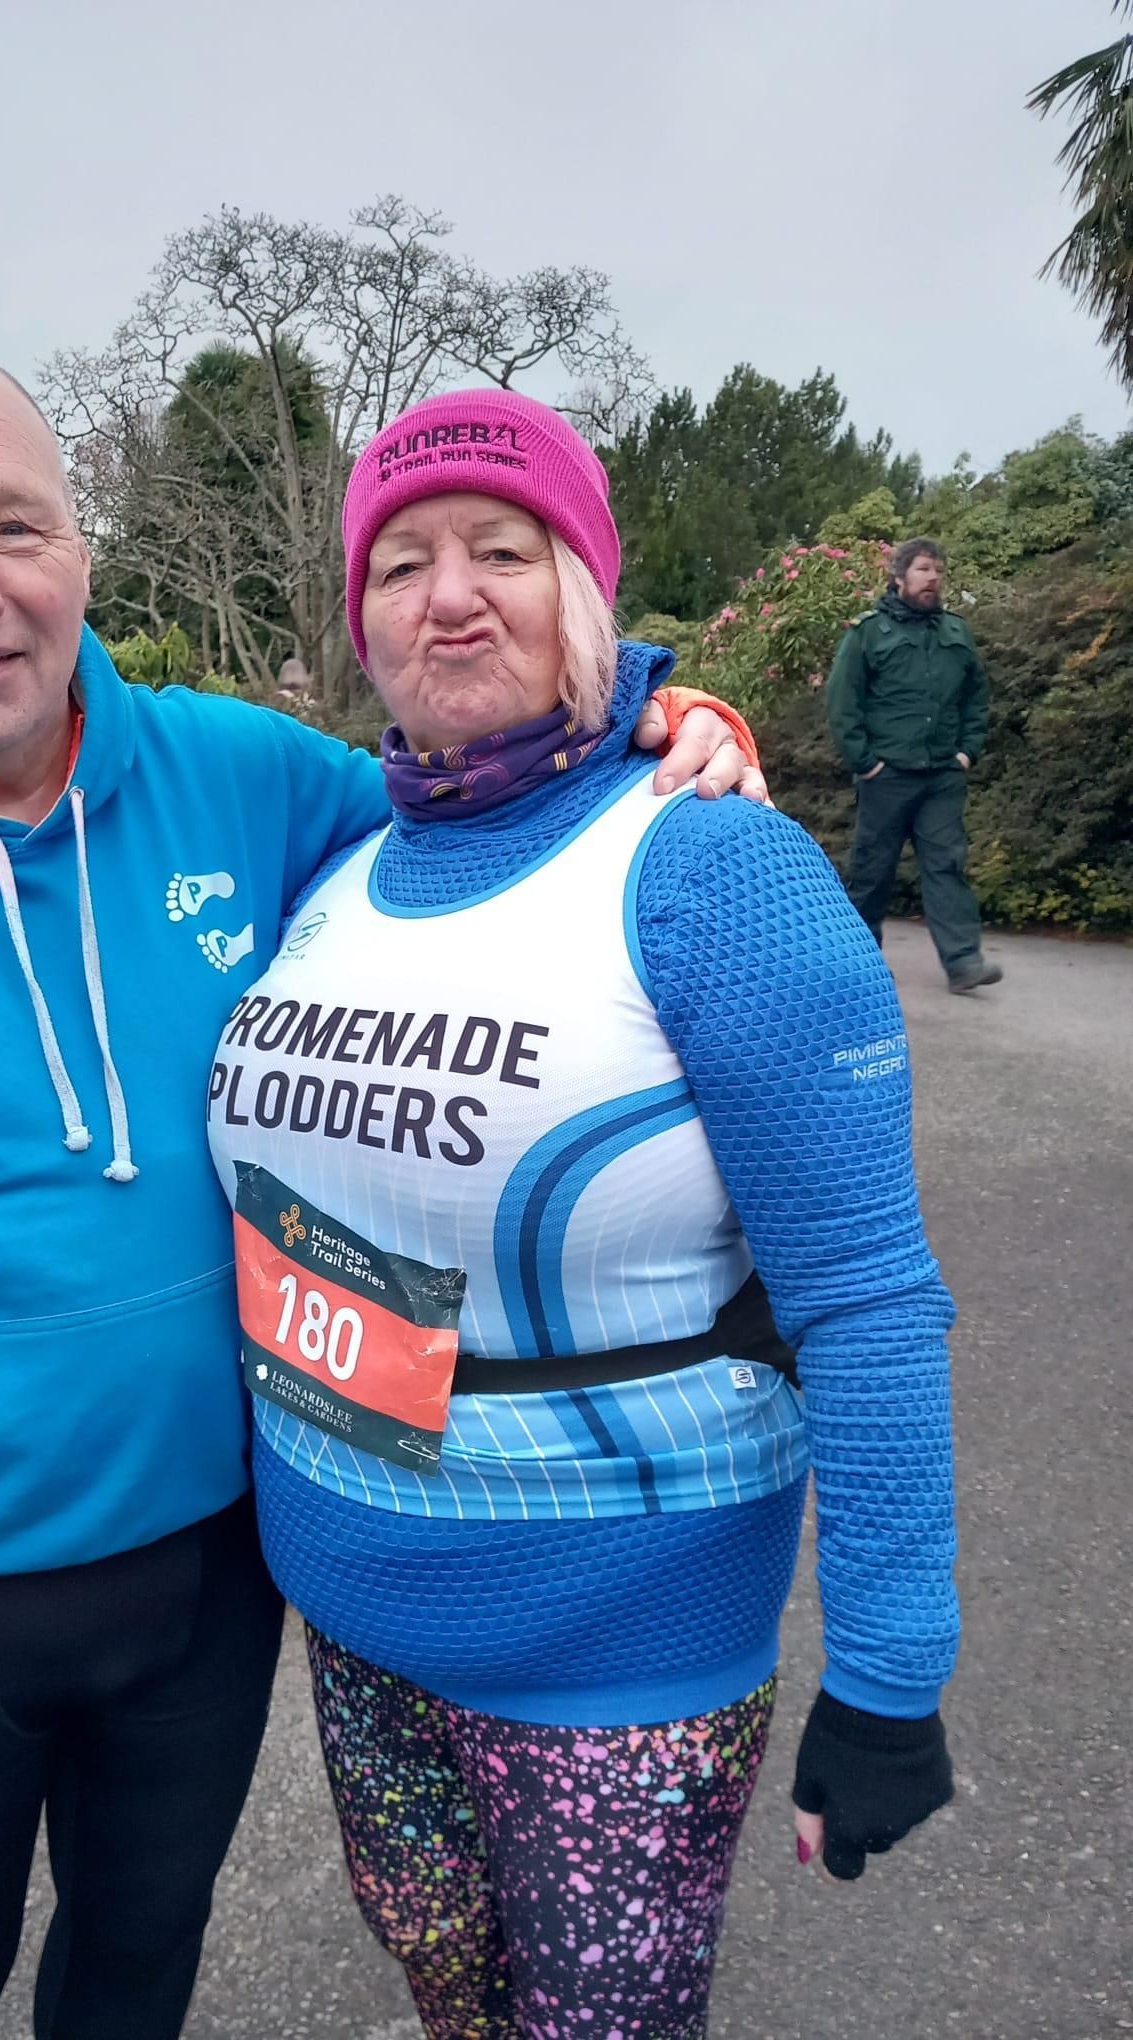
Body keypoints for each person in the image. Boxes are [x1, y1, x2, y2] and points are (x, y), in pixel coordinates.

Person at [0, 347, 758, 2040]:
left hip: (210, 1571)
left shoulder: (243, 777)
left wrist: (653, 720)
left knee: (142, 1958)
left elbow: (493, 797)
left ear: (83, 554)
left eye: (16, 526)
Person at [207, 389, 960, 2040]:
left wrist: (890, 1671)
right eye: (398, 563)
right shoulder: (341, 862)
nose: (447, 597)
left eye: (501, 550)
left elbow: (864, 1291)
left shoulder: (713, 866)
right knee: (442, 1976)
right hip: (351, 1613)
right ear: (359, 619)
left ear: (586, 591)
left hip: (618, 1642)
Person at [825, 537, 1001, 993]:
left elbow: (976, 699)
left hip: (942, 775)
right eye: (923, 569)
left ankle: (963, 963)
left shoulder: (956, 632)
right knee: (872, 872)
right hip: (887, 776)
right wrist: (866, 763)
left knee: (947, 865)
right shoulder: (868, 633)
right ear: (899, 577)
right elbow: (843, 702)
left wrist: (967, 751)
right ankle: (857, 965)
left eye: (938, 570)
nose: (933, 578)